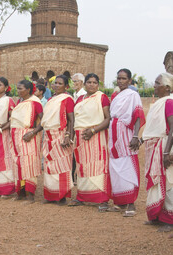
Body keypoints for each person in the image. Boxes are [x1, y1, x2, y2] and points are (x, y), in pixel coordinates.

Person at [69, 74, 111, 211]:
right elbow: (75, 118)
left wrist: (93, 130)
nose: (91, 84)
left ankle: (102, 199)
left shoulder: (102, 97)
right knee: (82, 167)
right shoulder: (80, 98)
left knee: (98, 165)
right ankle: (82, 196)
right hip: (80, 137)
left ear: (98, 84)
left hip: (96, 136)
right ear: (84, 84)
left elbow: (107, 119)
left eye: (94, 82)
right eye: (89, 82)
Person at [109, 68, 145, 217]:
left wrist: (136, 136)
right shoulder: (116, 96)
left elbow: (137, 115)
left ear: (129, 81)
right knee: (115, 166)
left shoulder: (133, 95)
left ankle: (131, 203)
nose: (120, 81)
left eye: (124, 79)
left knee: (127, 165)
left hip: (126, 133)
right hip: (114, 133)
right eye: (119, 78)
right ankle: (120, 202)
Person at [142, 73, 173, 232]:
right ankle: (157, 216)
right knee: (155, 183)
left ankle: (170, 219)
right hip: (154, 147)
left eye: (157, 82)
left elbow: (172, 128)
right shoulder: (158, 103)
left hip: (164, 146)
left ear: (167, 87)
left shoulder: (168, 102)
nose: (154, 85)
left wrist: (167, 152)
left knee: (168, 182)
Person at [41, 75, 75, 205]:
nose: (56, 85)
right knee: (49, 165)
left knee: (62, 166)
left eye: (59, 83)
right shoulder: (50, 99)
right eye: (55, 83)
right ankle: (50, 195)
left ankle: (61, 196)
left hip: (60, 135)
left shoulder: (67, 99)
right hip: (48, 135)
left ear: (66, 86)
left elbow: (71, 120)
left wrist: (68, 136)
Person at [9, 80, 43, 204]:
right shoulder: (20, 102)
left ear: (28, 90)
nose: (18, 91)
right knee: (18, 164)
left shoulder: (35, 102)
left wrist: (32, 133)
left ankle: (30, 196)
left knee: (28, 165)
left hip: (28, 136)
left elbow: (43, 121)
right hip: (16, 136)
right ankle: (21, 192)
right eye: (17, 88)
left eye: (20, 88)